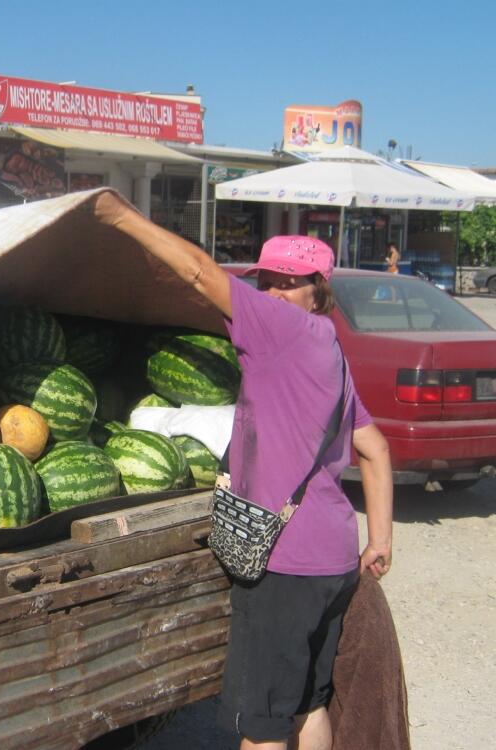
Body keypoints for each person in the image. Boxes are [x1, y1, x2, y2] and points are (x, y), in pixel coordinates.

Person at [93, 192, 393, 750]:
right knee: (307, 706)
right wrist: (379, 539)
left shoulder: (280, 329)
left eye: (290, 282)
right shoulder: (330, 348)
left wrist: (119, 216)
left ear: (318, 292)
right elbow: (373, 447)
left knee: (262, 728)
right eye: (268, 281)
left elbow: (196, 270)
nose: (274, 293)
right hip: (331, 558)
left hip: (285, 563)